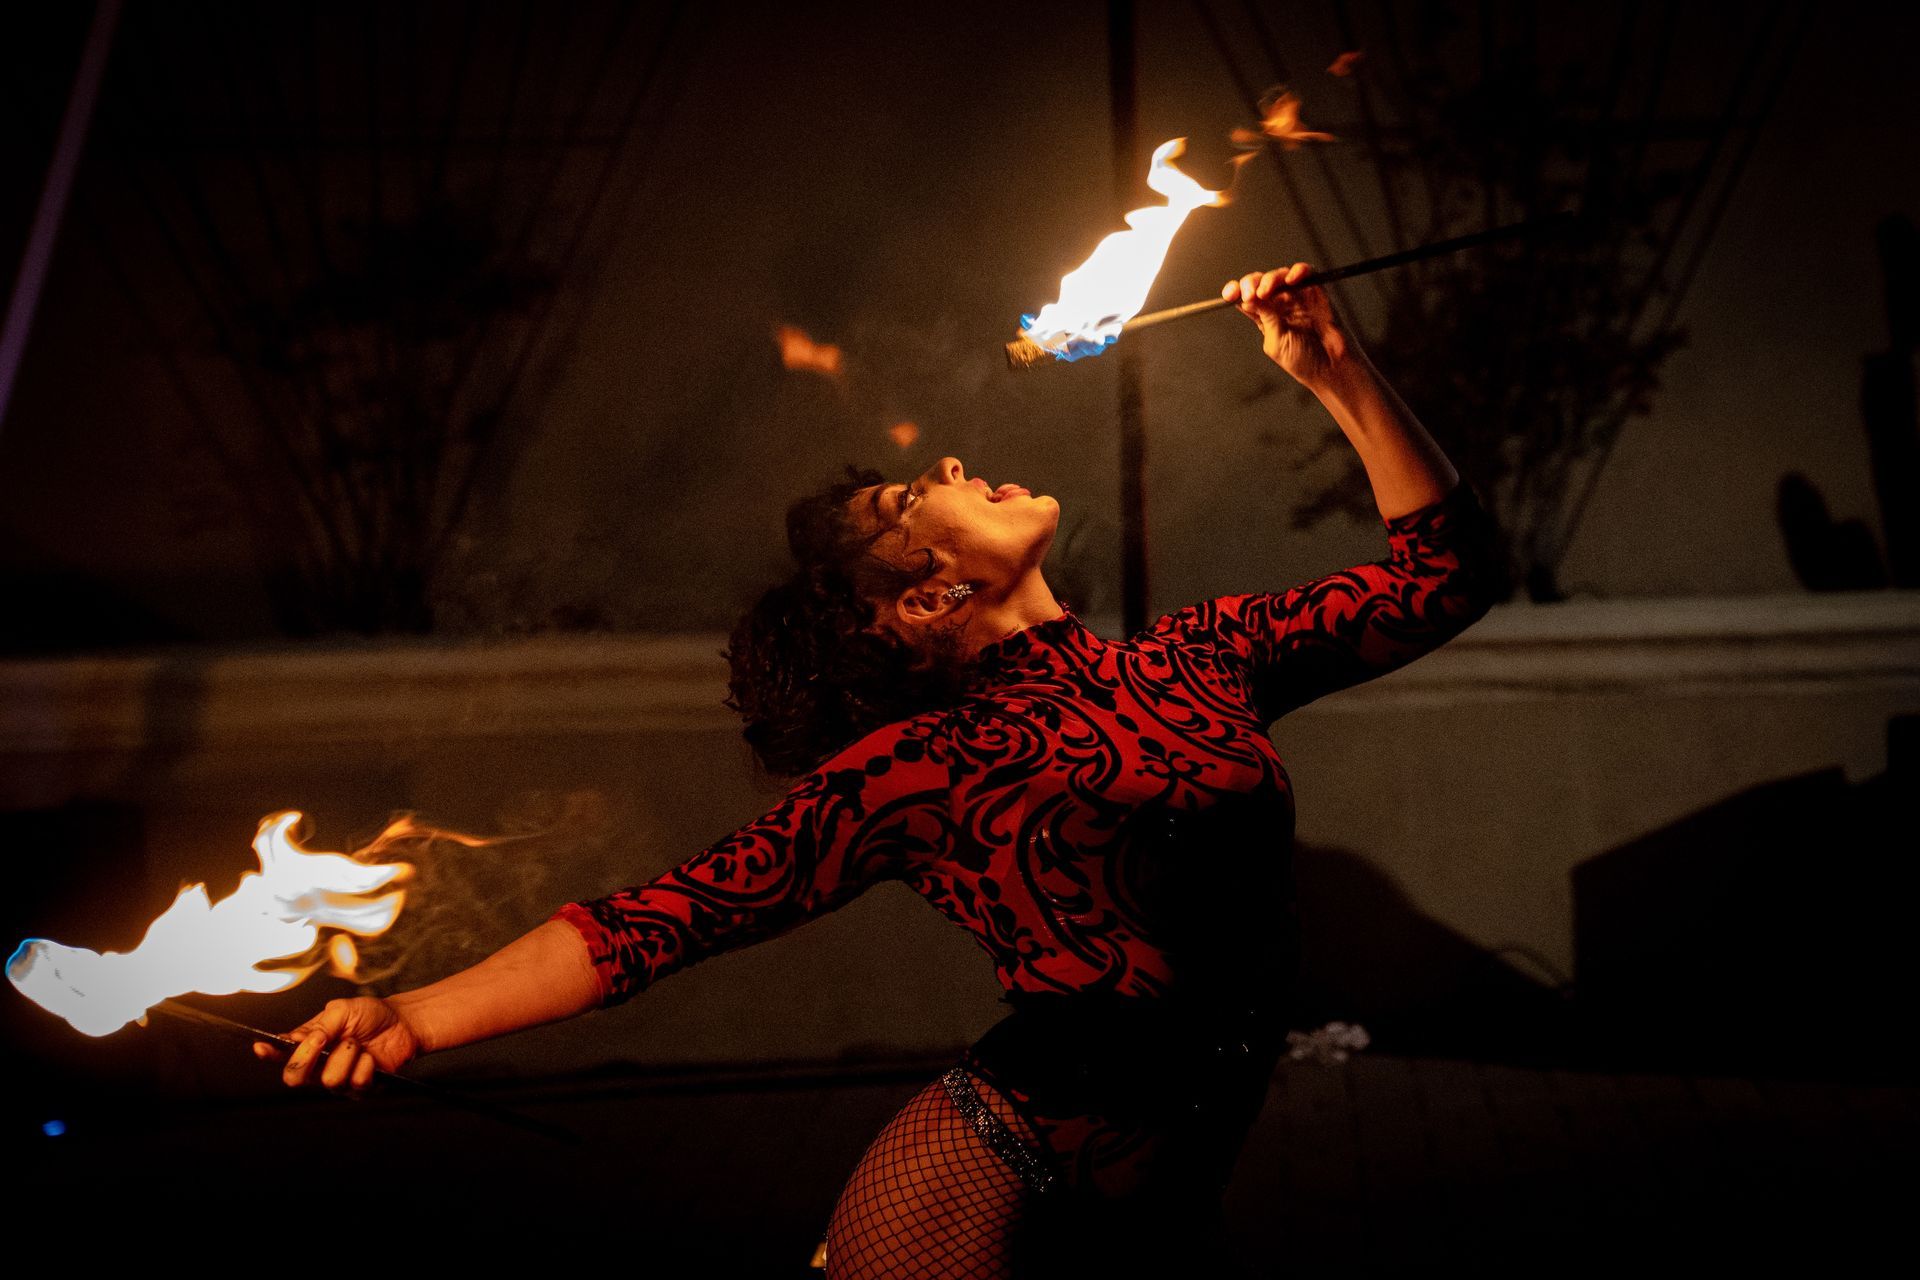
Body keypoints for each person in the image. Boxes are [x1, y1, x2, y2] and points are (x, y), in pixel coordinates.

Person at [258, 263, 1501, 1277]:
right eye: (922, 491)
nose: (958, 464)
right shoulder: (917, 769)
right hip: (993, 1168)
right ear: (926, 597)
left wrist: (1335, 371)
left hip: (1170, 1179)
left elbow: (1442, 575)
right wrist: (414, 1014)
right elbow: (658, 920)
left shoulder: (1197, 655)